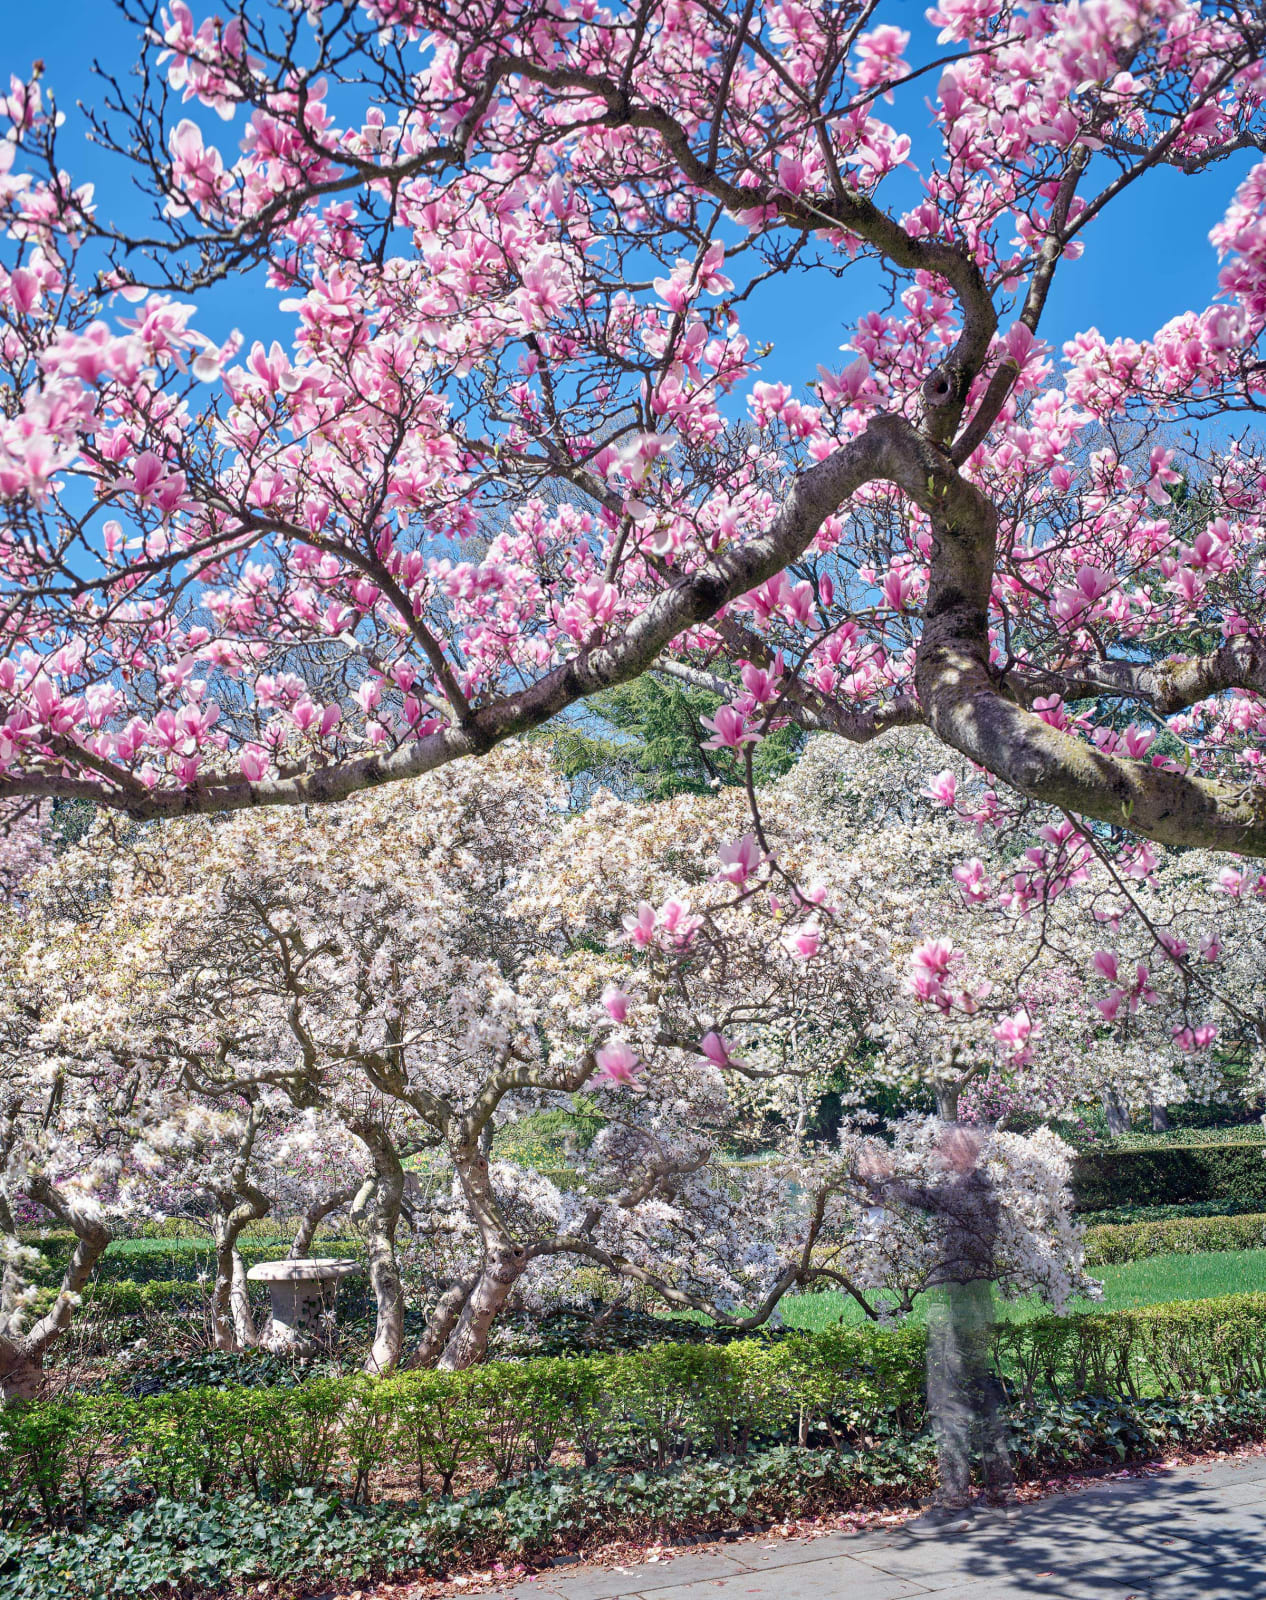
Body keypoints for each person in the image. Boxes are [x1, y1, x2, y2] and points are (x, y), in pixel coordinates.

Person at [858, 1124, 1013, 1522]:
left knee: (948, 1396)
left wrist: (885, 1178)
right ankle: (1000, 1489)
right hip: (975, 1305)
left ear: (961, 1154)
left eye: (944, 1147)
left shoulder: (968, 1191)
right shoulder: (984, 1189)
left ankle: (956, 1496)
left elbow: (927, 1200)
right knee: (982, 1393)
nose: (937, 1152)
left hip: (958, 1306)